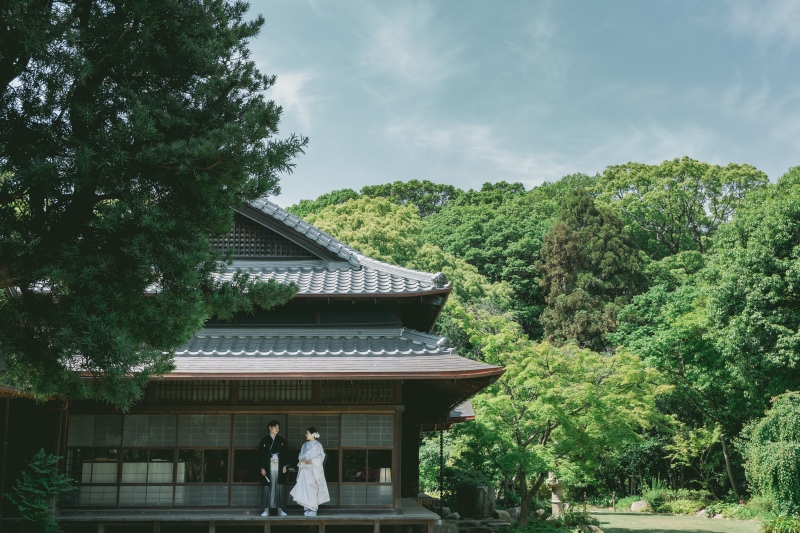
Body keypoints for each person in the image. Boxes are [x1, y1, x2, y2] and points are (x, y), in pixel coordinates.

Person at [289, 427, 330, 516]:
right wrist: (302, 459)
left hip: (313, 470)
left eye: (307, 433)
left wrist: (310, 461)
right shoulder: (304, 445)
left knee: (312, 489)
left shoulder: (318, 445)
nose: (306, 435)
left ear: (312, 434)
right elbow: (300, 455)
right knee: (305, 488)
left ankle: (313, 509)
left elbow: (321, 458)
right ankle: (307, 507)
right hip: (305, 470)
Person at [258, 420, 289, 517]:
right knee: (268, 486)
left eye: (278, 428)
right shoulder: (264, 440)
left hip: (279, 466)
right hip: (268, 466)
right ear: (270, 428)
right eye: (275, 427)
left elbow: (286, 454)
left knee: (279, 487)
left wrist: (285, 465)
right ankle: (266, 509)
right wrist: (262, 467)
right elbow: (261, 455)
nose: (277, 430)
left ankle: (280, 509)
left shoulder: (281, 440)